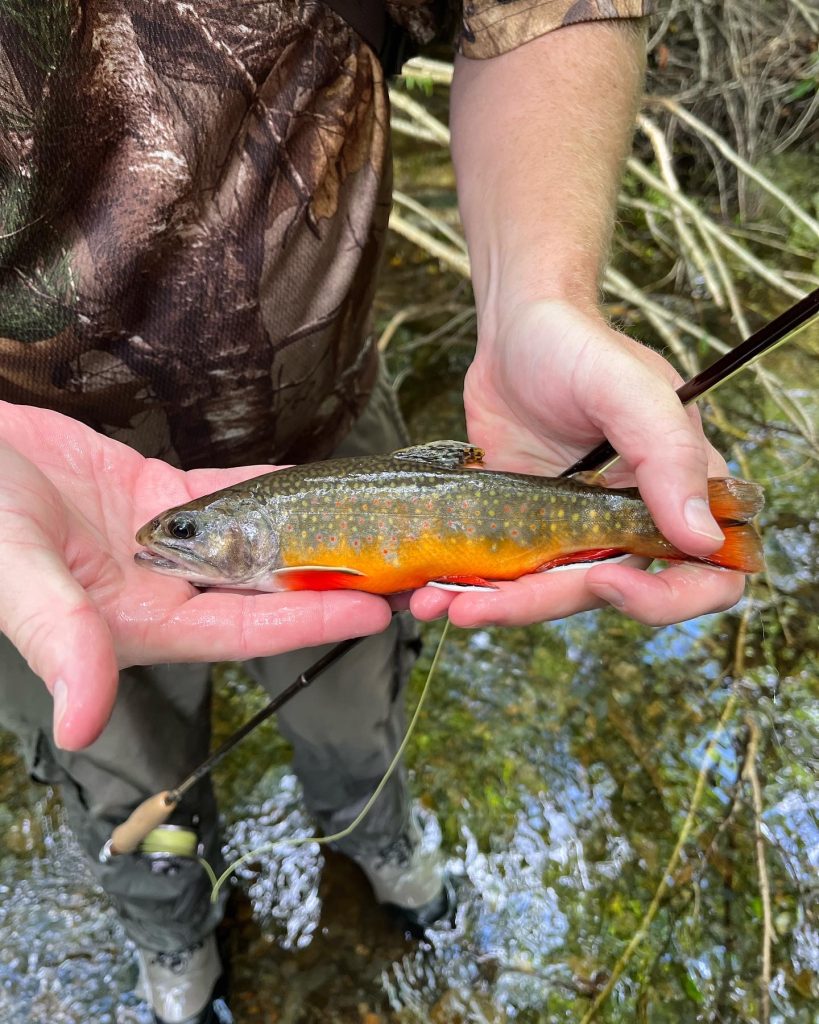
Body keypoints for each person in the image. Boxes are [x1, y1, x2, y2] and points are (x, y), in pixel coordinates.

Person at [0, 3, 745, 1022]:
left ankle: (372, 837)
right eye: (184, 539)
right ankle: (171, 924)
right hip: (25, 518)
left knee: (356, 716)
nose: (177, 544)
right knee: (123, 774)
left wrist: (543, 292)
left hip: (338, 423)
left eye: (186, 538)